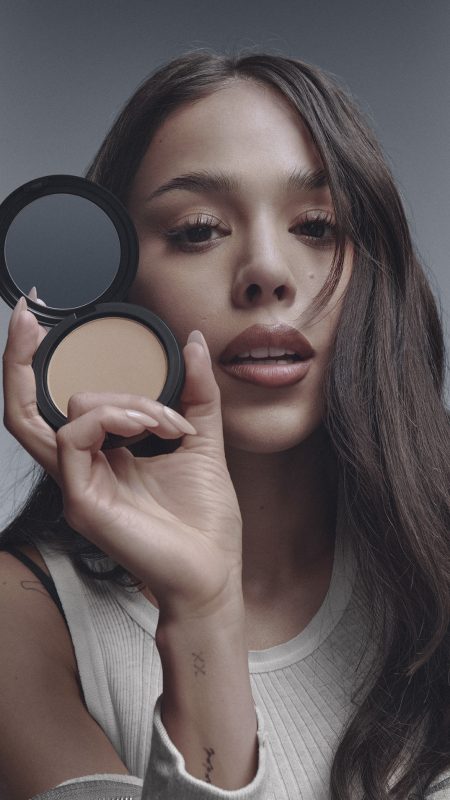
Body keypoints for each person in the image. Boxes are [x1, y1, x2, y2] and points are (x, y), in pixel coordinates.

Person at [0, 50, 449, 800]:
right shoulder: (21, 618)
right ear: (115, 282)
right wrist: (202, 608)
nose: (267, 270)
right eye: (199, 230)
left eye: (317, 225)